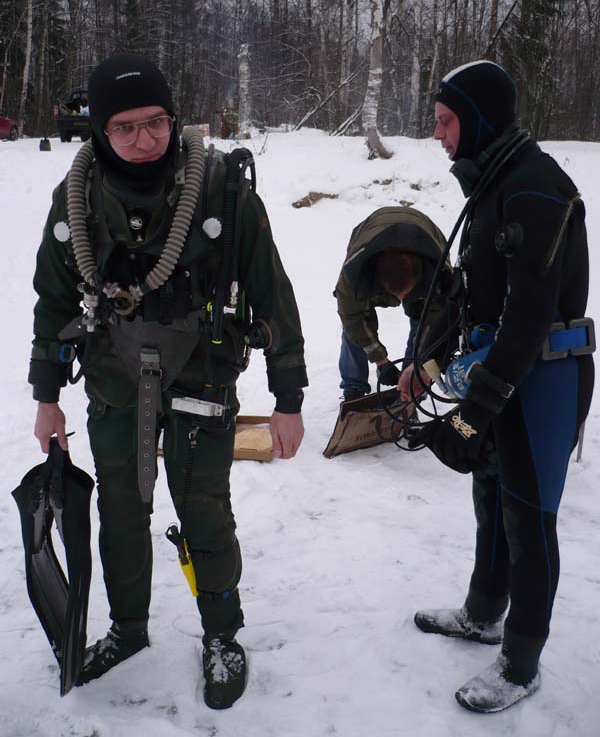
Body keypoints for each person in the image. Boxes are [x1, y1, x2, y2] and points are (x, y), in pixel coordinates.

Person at [29, 53, 308, 708]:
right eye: (123, 127)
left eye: (154, 122)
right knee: (120, 511)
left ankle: (221, 634)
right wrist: (46, 398)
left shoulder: (222, 190)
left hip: (202, 375)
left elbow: (274, 295)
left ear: (173, 117)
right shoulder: (78, 200)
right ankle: (128, 630)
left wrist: (288, 399)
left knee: (205, 510)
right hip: (113, 381)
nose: (143, 139)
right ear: (99, 130)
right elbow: (53, 299)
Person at [406, 60, 595, 713]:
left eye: (446, 120)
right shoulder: (494, 184)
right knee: (491, 498)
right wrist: (439, 367)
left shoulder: (537, 187)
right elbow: (477, 301)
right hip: (504, 367)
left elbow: (531, 309)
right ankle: (484, 612)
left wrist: (480, 402)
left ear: (479, 118)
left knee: (528, 517)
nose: (437, 133)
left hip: (542, 377)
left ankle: (520, 663)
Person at [334, 206, 451, 401]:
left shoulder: (437, 274)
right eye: (397, 295)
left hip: (427, 232)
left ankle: (410, 389)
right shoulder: (355, 276)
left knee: (421, 325)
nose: (401, 302)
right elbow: (352, 319)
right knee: (354, 329)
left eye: (407, 295)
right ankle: (353, 389)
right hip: (369, 231)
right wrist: (381, 361)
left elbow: (435, 324)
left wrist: (422, 366)